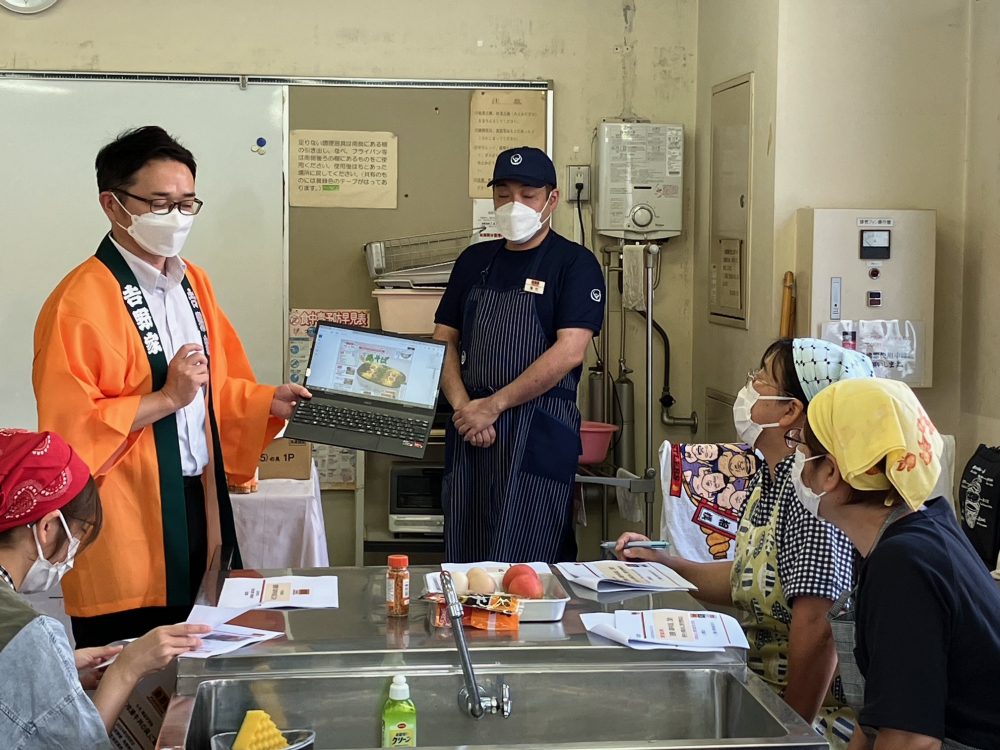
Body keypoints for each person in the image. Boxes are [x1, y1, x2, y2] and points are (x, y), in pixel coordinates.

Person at [33, 126, 309, 647]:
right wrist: (164, 399)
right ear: (113, 205)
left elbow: (216, 387)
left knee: (196, 652)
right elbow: (67, 430)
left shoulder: (194, 283)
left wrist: (266, 400)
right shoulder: (77, 302)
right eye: (160, 203)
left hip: (193, 498)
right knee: (128, 667)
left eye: (187, 203)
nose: (176, 218)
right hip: (124, 513)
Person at [616, 338, 874, 748]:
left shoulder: (811, 491)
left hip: (816, 723)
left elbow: (819, 630)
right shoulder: (767, 475)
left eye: (761, 379)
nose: (749, 385)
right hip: (764, 697)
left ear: (791, 410)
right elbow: (751, 579)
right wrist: (664, 563)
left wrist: (784, 736)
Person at [796, 378, 1000, 750]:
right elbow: (879, 715)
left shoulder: (904, 564)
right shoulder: (915, 528)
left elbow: (911, 740)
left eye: (803, 450)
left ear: (830, 472)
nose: (797, 462)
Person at [434, 146, 605, 563]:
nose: (515, 205)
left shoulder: (575, 264)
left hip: (539, 426)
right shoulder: (474, 260)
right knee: (467, 548)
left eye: (528, 194)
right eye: (504, 194)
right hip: (472, 425)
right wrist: (465, 409)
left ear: (552, 198)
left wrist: (494, 405)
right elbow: (443, 340)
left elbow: (569, 351)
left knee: (533, 557)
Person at [0, 429, 211, 749]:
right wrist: (127, 670)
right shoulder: (32, 633)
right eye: (78, 538)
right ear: (47, 527)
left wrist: (60, 669)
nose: (70, 558)